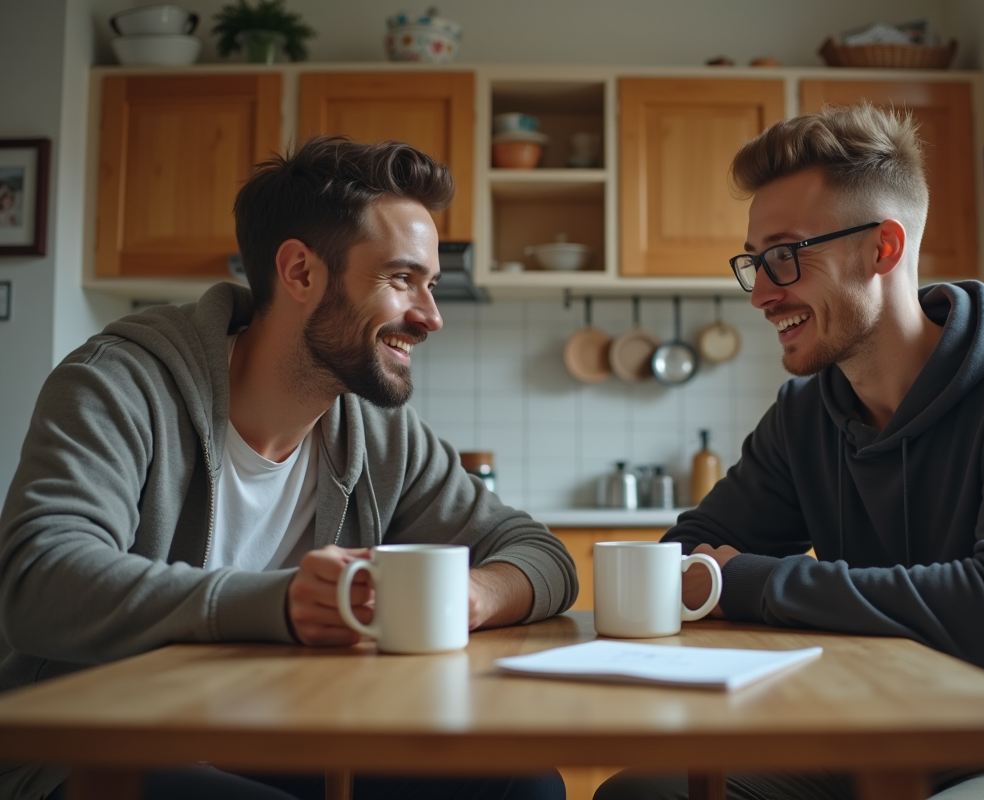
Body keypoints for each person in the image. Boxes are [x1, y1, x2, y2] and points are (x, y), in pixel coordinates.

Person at [596, 104, 984, 800]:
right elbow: (689, 555)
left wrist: (755, 583)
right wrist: (728, 579)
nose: (761, 293)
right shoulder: (807, 413)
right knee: (639, 794)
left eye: (784, 257)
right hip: (874, 738)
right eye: (755, 263)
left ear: (883, 249)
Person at [0, 136, 578, 800]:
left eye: (431, 285)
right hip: (94, 748)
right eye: (401, 279)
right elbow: (39, 579)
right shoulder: (121, 385)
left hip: (271, 730)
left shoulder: (377, 430)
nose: (430, 317)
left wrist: (468, 597)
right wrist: (277, 603)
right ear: (300, 272)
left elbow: (542, 556)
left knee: (523, 783)